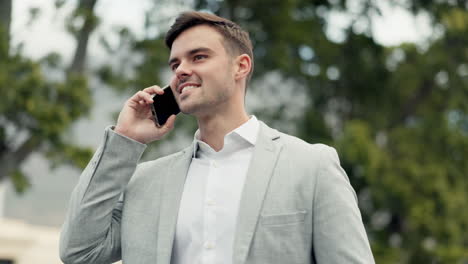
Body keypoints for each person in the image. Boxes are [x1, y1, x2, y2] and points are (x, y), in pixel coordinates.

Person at [59, 11, 375, 264]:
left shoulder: (312, 166)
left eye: (198, 57)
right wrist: (126, 140)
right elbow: (79, 251)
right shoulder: (146, 182)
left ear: (241, 66)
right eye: (175, 63)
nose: (181, 69)